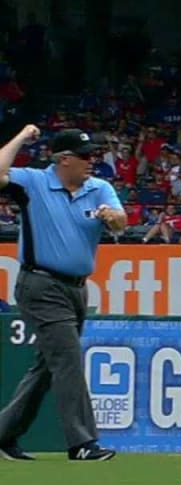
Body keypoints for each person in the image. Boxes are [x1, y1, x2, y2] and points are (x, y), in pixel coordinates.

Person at [0, 126, 127, 461]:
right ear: (64, 159)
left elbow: (121, 222)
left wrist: (112, 217)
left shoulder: (99, 188)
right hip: (40, 284)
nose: (92, 162)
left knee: (49, 364)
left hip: (76, 289)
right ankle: (82, 443)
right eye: (85, 156)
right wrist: (22, 136)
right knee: (68, 358)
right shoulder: (33, 182)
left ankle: (4, 433)